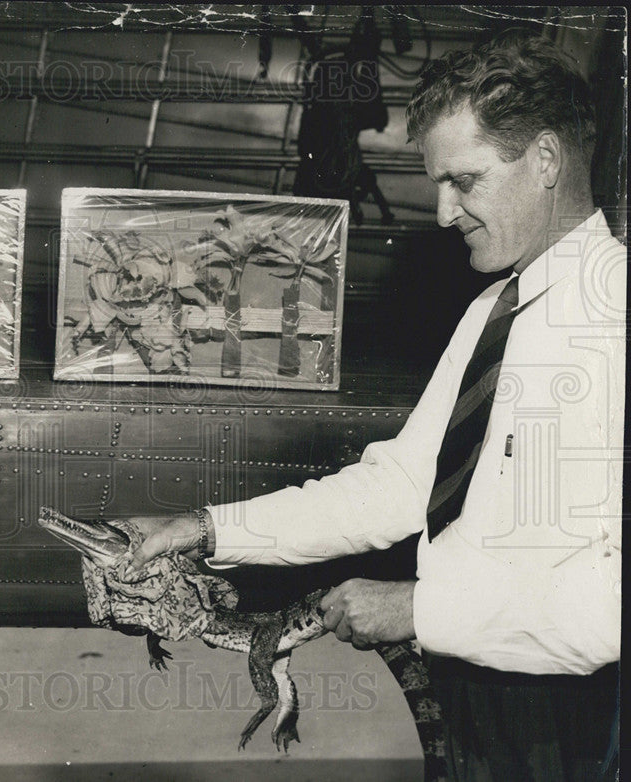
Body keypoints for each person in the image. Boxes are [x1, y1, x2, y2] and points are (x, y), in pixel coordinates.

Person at [125, 32, 623, 781]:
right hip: (471, 684)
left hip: (571, 716)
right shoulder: (496, 307)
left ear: (546, 160)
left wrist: (421, 610)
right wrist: (205, 529)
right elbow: (400, 487)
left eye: (465, 180)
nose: (442, 211)